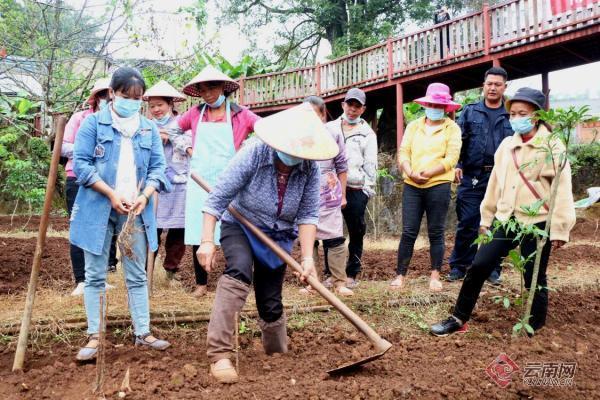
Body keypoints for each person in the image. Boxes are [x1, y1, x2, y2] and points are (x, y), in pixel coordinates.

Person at [196, 103, 338, 383]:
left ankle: (277, 355)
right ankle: (220, 354)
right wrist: (206, 241)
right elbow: (217, 199)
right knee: (238, 270)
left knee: (270, 301)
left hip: (279, 235)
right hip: (242, 224)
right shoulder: (254, 154)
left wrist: (308, 259)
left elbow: (309, 214)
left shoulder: (310, 168)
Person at [431, 88, 576, 337]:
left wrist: (561, 228)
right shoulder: (507, 146)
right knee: (479, 266)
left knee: (534, 276)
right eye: (513, 113)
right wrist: (486, 219)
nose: (516, 117)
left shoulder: (552, 146)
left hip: (537, 221)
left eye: (523, 113)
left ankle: (533, 328)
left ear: (537, 116)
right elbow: (495, 185)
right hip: (506, 220)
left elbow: (561, 188)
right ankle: (459, 317)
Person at [70, 67, 171, 361]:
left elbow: (157, 168)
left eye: (138, 98)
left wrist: (144, 196)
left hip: (135, 211)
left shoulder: (147, 128)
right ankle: (95, 334)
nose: (132, 102)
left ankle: (143, 332)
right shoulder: (93, 125)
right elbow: (82, 166)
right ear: (112, 94)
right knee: (95, 274)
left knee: (137, 273)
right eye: (126, 96)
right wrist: (111, 194)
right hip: (99, 207)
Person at [178, 65, 260, 298]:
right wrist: (186, 146)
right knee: (198, 231)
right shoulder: (195, 114)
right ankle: (201, 284)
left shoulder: (240, 114)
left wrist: (245, 151)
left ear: (223, 88)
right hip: (199, 179)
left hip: (231, 180)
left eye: (212, 88)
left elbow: (263, 131)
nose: (207, 94)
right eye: (202, 90)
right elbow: (173, 131)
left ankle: (234, 279)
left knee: (234, 229)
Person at [390, 83, 462, 292]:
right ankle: (400, 275)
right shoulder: (414, 126)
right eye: (432, 104)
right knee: (408, 231)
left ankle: (435, 275)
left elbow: (451, 158)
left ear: (446, 107)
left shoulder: (452, 128)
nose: (435, 108)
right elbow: (403, 152)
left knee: (436, 231)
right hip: (412, 184)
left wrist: (429, 173)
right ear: (426, 104)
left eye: (439, 105)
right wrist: (410, 171)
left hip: (438, 184)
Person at [448, 67, 514, 285]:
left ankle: (492, 268)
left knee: (497, 223)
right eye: (489, 84)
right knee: (467, 221)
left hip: (503, 177)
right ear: (483, 86)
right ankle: (460, 266)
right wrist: (458, 164)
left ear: (505, 86)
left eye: (498, 84)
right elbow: (460, 140)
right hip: (474, 175)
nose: (493, 88)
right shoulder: (470, 111)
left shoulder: (511, 112)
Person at [62, 77, 119, 296]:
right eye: (102, 95)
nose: (107, 99)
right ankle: (81, 280)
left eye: (110, 94)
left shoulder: (116, 122)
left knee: (103, 229)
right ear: (95, 98)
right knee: (80, 227)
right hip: (78, 179)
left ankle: (98, 277)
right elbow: (64, 146)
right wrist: (88, 147)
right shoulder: (79, 118)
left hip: (107, 183)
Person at [301, 96, 353, 296]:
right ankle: (312, 282)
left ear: (323, 114)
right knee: (309, 238)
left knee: (335, 238)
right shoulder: (299, 136)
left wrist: (343, 195)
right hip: (305, 191)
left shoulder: (333, 133)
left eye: (315, 114)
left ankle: (340, 282)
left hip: (329, 189)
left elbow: (342, 166)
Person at [326, 88, 377, 289]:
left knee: (356, 231)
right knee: (331, 231)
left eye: (357, 106)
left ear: (363, 109)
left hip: (356, 188)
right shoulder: (330, 128)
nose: (352, 109)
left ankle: (351, 272)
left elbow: (371, 164)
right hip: (331, 187)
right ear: (343, 105)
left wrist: (366, 191)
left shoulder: (367, 134)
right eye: (350, 105)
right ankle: (331, 273)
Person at [143, 80, 190, 282]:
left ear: (171, 104)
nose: (156, 110)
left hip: (179, 183)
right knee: (151, 227)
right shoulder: (146, 126)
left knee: (178, 229)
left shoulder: (183, 124)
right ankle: (145, 272)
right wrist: (155, 135)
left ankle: (171, 269)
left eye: (160, 105)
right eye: (152, 106)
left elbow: (188, 144)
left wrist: (169, 136)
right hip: (154, 183)